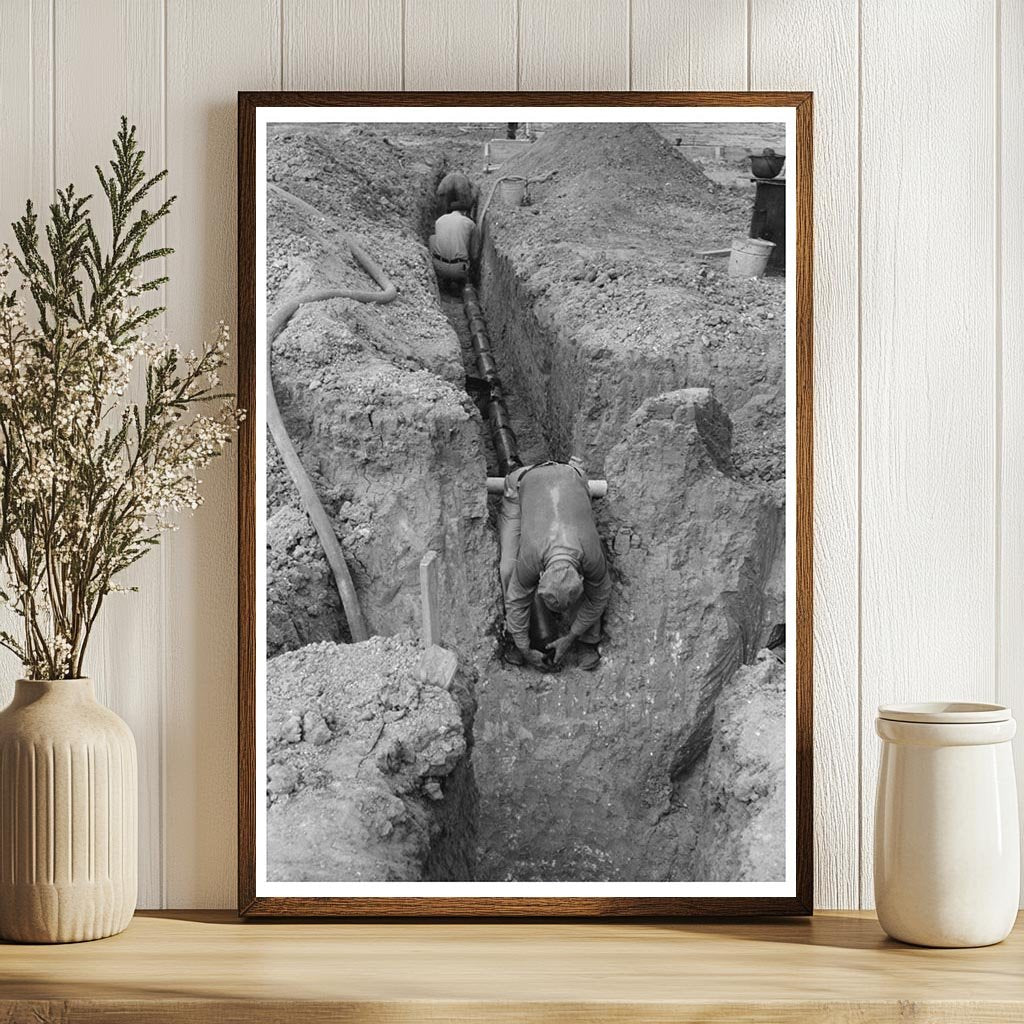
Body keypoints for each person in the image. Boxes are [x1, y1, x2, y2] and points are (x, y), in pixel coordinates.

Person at [499, 461, 611, 672]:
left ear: (580, 574)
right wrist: (524, 648)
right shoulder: (531, 557)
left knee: (594, 585)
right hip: (523, 481)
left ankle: (587, 640)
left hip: (571, 476)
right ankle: (514, 637)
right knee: (508, 569)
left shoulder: (591, 556)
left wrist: (572, 636)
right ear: (540, 574)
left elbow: (600, 595)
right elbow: (517, 599)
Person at [429, 209, 478, 290]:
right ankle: (460, 286)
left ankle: (444, 283)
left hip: (439, 267)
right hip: (459, 269)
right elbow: (474, 254)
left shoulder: (439, 220)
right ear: (464, 212)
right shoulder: (470, 223)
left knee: (432, 238)